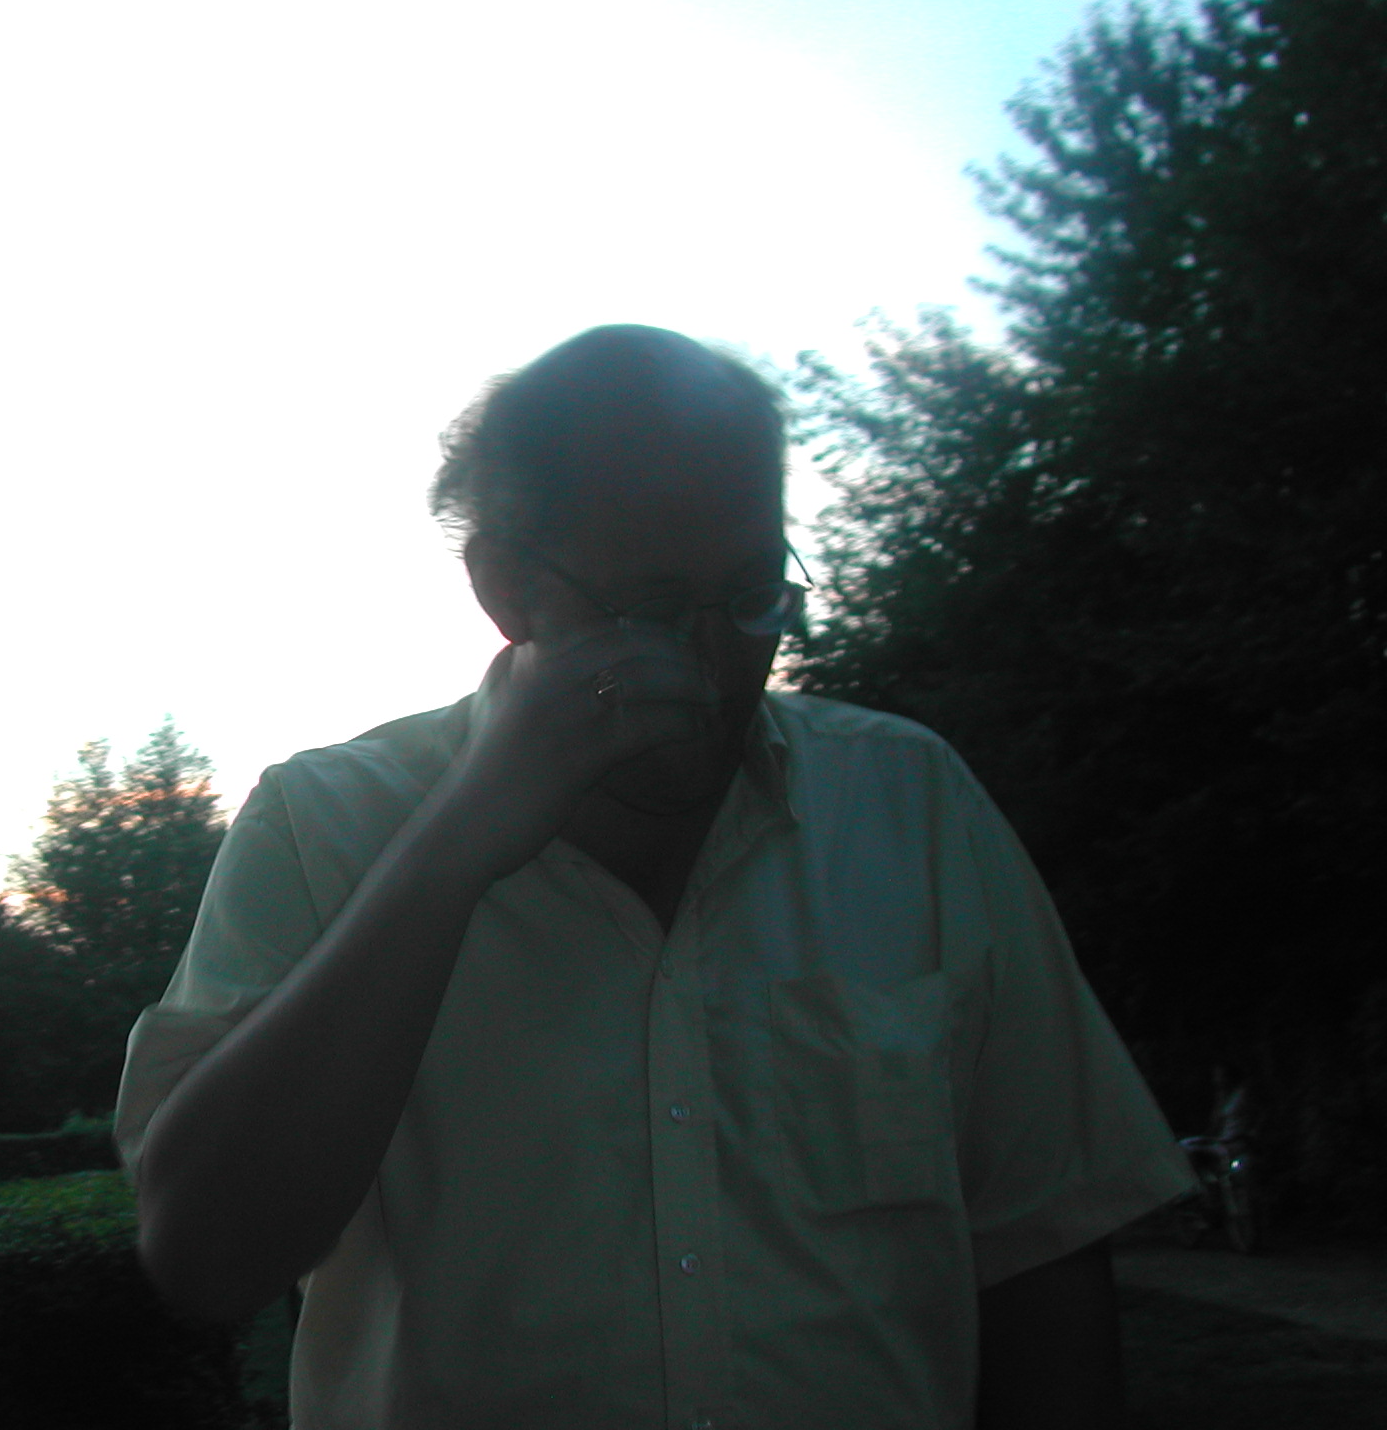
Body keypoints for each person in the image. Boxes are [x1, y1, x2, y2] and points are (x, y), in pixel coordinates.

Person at [117, 325, 1196, 1429]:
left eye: (753, 593)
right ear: (506, 588)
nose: (715, 662)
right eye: (650, 609)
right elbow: (205, 1259)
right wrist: (455, 845)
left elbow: (1041, 1247)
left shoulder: (910, 806)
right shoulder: (321, 826)